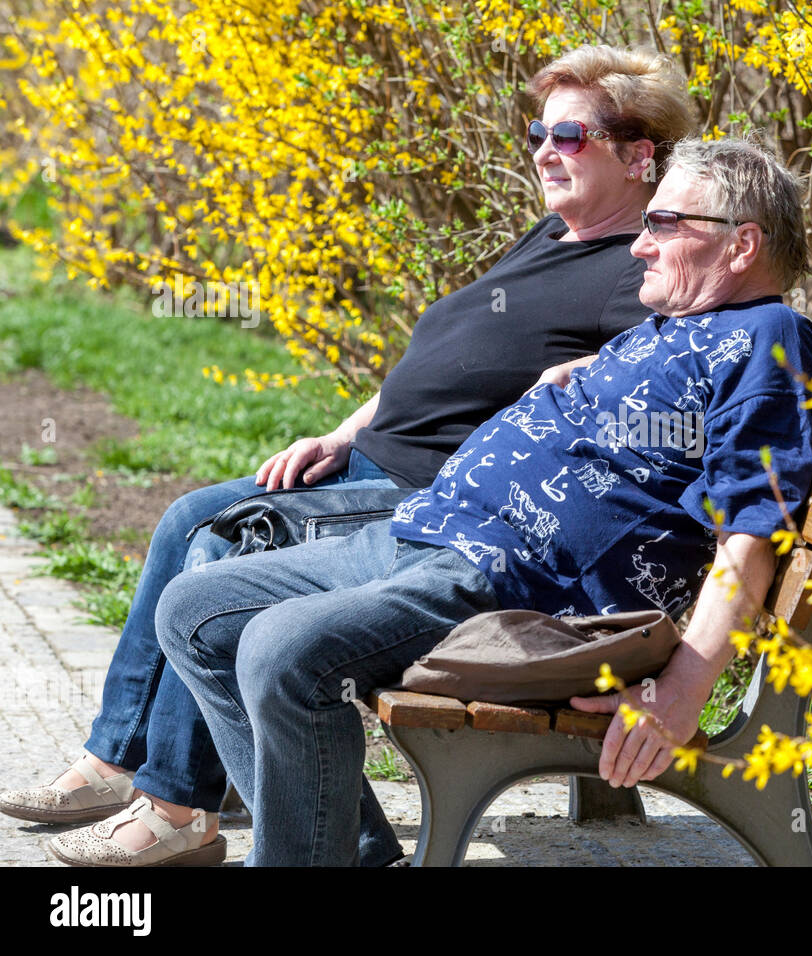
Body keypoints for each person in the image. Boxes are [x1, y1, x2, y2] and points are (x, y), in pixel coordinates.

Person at [1, 44, 695, 867]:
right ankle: (121, 762)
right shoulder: (554, 235)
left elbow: (636, 405)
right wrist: (340, 432)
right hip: (371, 458)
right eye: (539, 131)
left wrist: (575, 386)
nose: (545, 149)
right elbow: (441, 358)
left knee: (221, 538)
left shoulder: (636, 273)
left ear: (639, 152)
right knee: (189, 513)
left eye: (571, 135)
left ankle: (177, 805)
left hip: (431, 496)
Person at [153, 136, 812, 865]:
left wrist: (680, 693)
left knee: (279, 649)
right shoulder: (672, 328)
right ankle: (349, 853)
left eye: (664, 224)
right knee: (192, 609)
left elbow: (752, 531)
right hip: (432, 536)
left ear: (741, 245)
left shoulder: (772, 338)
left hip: (523, 593)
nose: (639, 245)